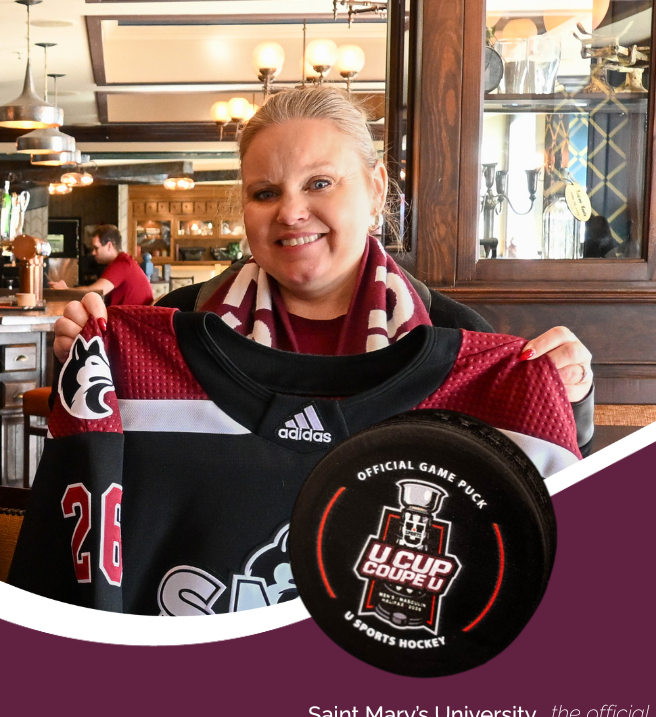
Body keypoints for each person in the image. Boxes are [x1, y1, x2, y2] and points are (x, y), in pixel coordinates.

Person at [54, 85, 596, 452]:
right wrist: (82, 358)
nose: (290, 212)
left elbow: (528, 488)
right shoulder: (176, 327)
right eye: (266, 192)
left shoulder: (459, 338)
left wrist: (570, 393)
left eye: (319, 183)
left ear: (376, 189)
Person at [48, 224, 153, 305]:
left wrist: (65, 290)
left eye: (96, 248)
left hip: (132, 327)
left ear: (109, 246)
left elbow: (95, 292)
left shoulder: (122, 264)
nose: (93, 252)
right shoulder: (122, 262)